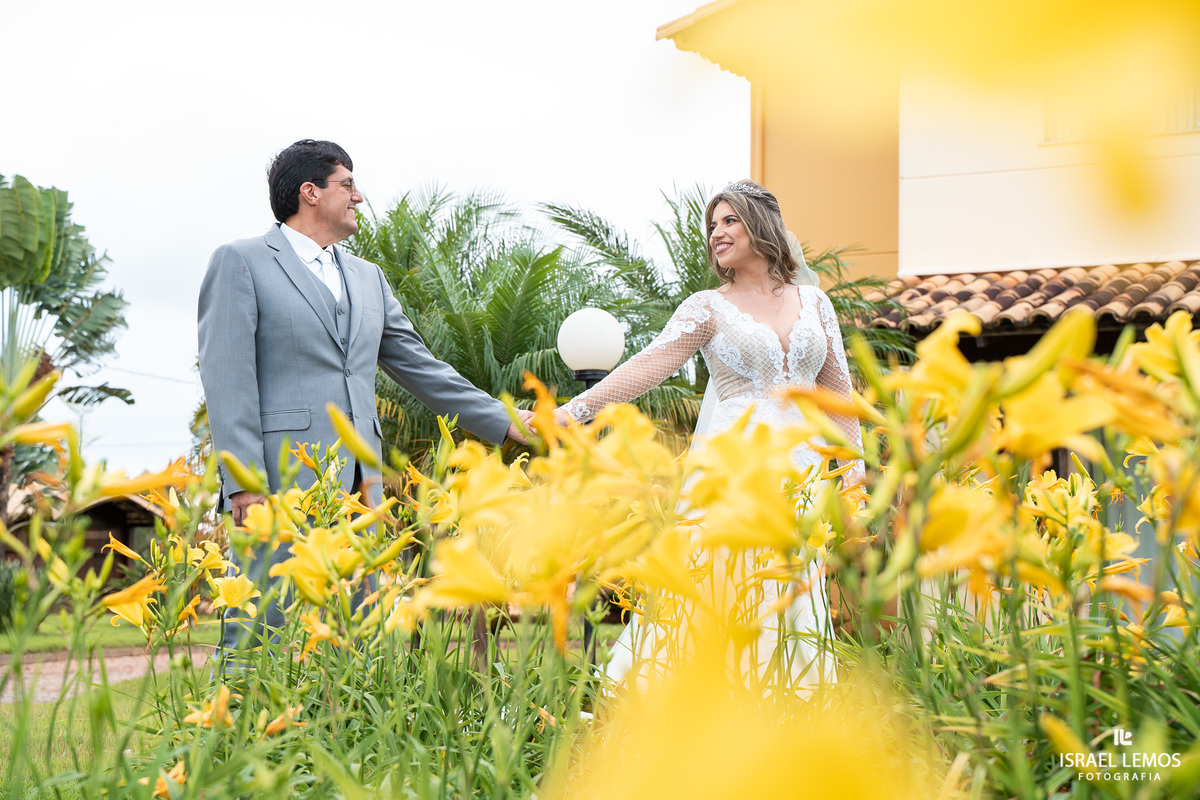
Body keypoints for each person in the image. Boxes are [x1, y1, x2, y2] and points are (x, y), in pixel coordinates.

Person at [198, 139, 532, 651]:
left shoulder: (368, 277)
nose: (359, 196)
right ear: (309, 192)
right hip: (280, 481)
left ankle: (341, 731)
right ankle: (241, 728)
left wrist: (503, 420)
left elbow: (420, 366)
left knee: (357, 632)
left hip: (361, 487)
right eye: (348, 184)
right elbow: (227, 377)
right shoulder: (241, 262)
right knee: (267, 624)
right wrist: (243, 483)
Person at [557, 179, 863, 692]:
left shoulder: (815, 304)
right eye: (712, 225)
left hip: (801, 473)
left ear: (761, 225)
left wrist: (851, 474)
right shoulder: (708, 307)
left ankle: (790, 707)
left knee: (789, 593)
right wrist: (575, 411)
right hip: (731, 470)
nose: (717, 233)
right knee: (716, 584)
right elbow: (649, 365)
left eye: (729, 221)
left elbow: (838, 395)